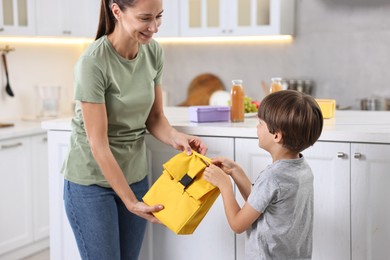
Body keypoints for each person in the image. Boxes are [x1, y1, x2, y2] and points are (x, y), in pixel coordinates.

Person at [61, 0, 207, 259]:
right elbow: (98, 144)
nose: (154, 27)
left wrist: (177, 138)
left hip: (135, 177)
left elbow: (155, 117)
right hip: (92, 183)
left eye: (159, 17)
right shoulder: (93, 63)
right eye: (145, 18)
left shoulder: (153, 53)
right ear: (116, 11)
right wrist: (130, 201)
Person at [204, 90, 323, 259]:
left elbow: (238, 224)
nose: (256, 127)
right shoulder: (302, 169)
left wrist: (224, 185)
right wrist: (235, 171)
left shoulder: (272, 177)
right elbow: (261, 203)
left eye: (260, 123)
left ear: (276, 135)